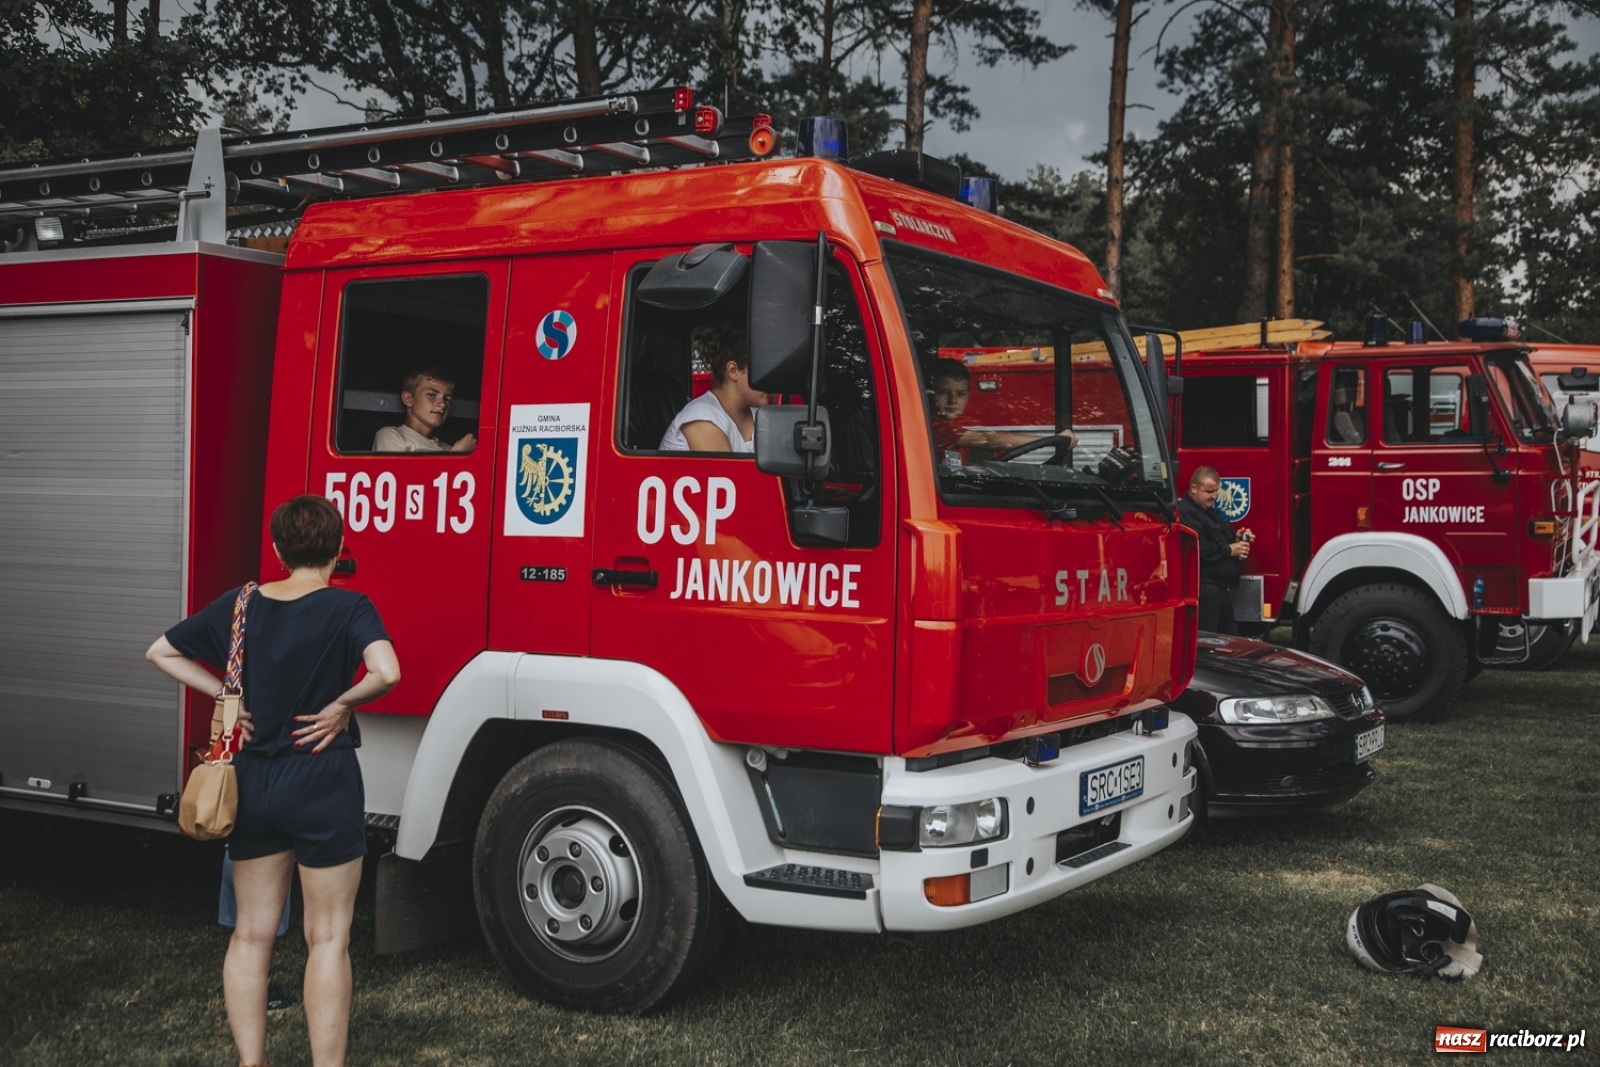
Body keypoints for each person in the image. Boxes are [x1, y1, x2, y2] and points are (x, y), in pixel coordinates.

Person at [146, 495, 400, 1067]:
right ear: (338, 549)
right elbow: (387, 672)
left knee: (252, 935)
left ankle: (251, 1062)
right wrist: (341, 705)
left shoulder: (240, 605)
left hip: (254, 779)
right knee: (328, 938)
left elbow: (159, 651)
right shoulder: (350, 606)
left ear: (280, 550)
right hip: (324, 780)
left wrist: (224, 696)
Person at [928, 358, 1076, 466]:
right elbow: (989, 440)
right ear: (930, 394)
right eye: (944, 393)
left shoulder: (954, 433)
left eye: (960, 394)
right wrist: (1054, 439)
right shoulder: (934, 427)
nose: (953, 401)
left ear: (968, 396)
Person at [659, 323, 768, 452]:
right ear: (733, 371)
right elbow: (726, 472)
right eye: (762, 371)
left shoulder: (758, 414)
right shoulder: (703, 418)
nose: (770, 380)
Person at [1177, 465, 1253, 634]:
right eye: (1209, 491)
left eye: (1216, 491)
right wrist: (1229, 550)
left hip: (1222, 591)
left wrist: (1238, 539)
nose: (1214, 496)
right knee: (1208, 642)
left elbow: (1221, 540)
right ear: (1194, 488)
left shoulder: (1210, 512)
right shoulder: (1186, 513)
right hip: (1206, 589)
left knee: (1229, 642)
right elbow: (1199, 548)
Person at [372, 368, 477, 453]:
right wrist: (456, 455)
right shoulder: (392, 436)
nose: (442, 404)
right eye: (432, 395)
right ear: (408, 399)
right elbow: (399, 476)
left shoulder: (447, 448)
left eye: (447, 399)